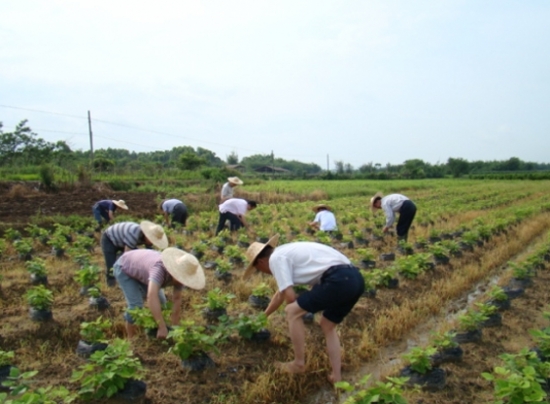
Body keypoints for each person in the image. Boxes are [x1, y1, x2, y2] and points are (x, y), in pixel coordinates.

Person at [243, 235, 364, 384]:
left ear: (261, 262)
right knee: (327, 325)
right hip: (355, 279)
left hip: (338, 279)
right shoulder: (285, 253)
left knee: (292, 311)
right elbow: (280, 293)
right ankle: (336, 376)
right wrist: (264, 316)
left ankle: (298, 364)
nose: (262, 272)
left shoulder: (276, 259)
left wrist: (296, 313)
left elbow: (289, 297)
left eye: (258, 269)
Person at [114, 247, 205, 339]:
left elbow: (176, 299)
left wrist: (175, 329)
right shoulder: (159, 270)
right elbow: (151, 296)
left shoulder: (182, 278)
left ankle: (153, 328)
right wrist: (162, 327)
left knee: (162, 303)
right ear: (174, 272)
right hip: (124, 267)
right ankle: (131, 338)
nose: (182, 281)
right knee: (136, 305)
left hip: (143, 270)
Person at [101, 221, 168, 286]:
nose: (152, 243)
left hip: (123, 241)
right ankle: (111, 283)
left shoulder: (143, 236)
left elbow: (149, 252)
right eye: (152, 240)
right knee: (111, 264)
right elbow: (127, 256)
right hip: (109, 239)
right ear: (147, 236)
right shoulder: (134, 234)